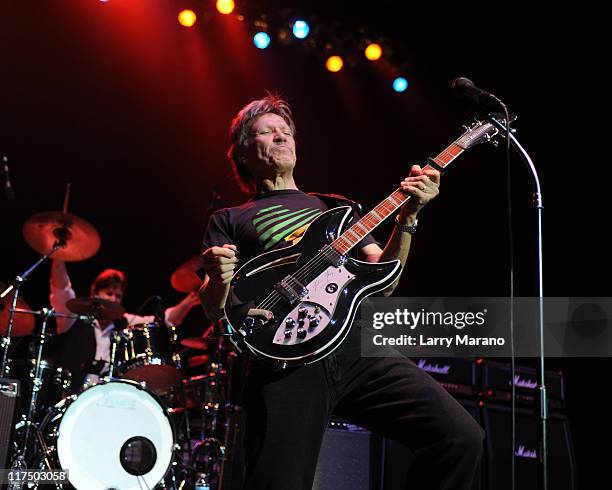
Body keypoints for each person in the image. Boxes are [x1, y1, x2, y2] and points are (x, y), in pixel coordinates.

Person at [198, 95, 485, 490]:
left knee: (461, 438)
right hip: (286, 358)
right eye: (266, 131)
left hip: (355, 349)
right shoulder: (230, 219)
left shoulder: (336, 209)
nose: (280, 135)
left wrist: (409, 216)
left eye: (286, 131)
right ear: (243, 153)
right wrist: (218, 278)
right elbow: (215, 309)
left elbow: (384, 279)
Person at [49, 259, 200, 392]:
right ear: (95, 294)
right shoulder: (74, 318)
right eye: (108, 293)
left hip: (110, 395)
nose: (114, 299)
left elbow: (165, 320)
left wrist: (189, 301)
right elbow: (61, 290)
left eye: (118, 296)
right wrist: (60, 257)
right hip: (70, 396)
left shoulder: (125, 321)